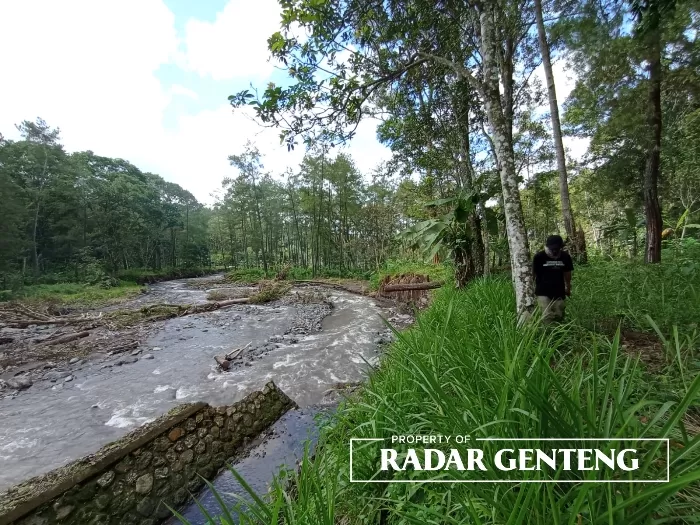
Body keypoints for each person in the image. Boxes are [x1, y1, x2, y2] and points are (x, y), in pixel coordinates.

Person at [533, 234, 573, 324]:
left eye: (556, 248)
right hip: (542, 291)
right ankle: (546, 335)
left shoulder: (565, 257)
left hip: (559, 291)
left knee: (559, 316)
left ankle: (558, 336)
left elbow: (567, 273)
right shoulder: (539, 257)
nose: (554, 251)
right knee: (546, 316)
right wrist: (530, 290)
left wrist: (568, 287)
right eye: (552, 248)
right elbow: (533, 273)